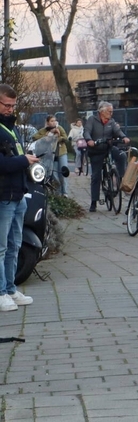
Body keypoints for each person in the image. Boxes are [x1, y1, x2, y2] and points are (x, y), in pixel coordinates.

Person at [0, 85, 39, 312]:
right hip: (4, 196)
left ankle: (10, 288)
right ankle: (1, 292)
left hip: (17, 195)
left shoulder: (10, 128)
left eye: (13, 106)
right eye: (6, 105)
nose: (10, 109)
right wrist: (25, 160)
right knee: (2, 247)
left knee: (14, 245)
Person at [84, 102, 130, 212]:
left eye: (112, 111)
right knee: (96, 176)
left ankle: (120, 177)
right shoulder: (92, 120)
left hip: (108, 147)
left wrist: (124, 137)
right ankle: (94, 202)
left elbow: (117, 131)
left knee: (121, 155)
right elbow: (86, 131)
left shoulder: (111, 121)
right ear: (102, 111)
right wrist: (89, 140)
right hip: (96, 150)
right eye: (109, 111)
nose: (111, 113)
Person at [32, 115, 68, 195]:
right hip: (51, 155)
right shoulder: (44, 130)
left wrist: (56, 138)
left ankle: (65, 193)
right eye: (51, 121)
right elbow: (35, 137)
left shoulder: (59, 128)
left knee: (63, 173)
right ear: (48, 122)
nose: (54, 122)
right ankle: (57, 193)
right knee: (54, 174)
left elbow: (65, 137)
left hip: (61, 152)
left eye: (55, 120)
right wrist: (47, 137)